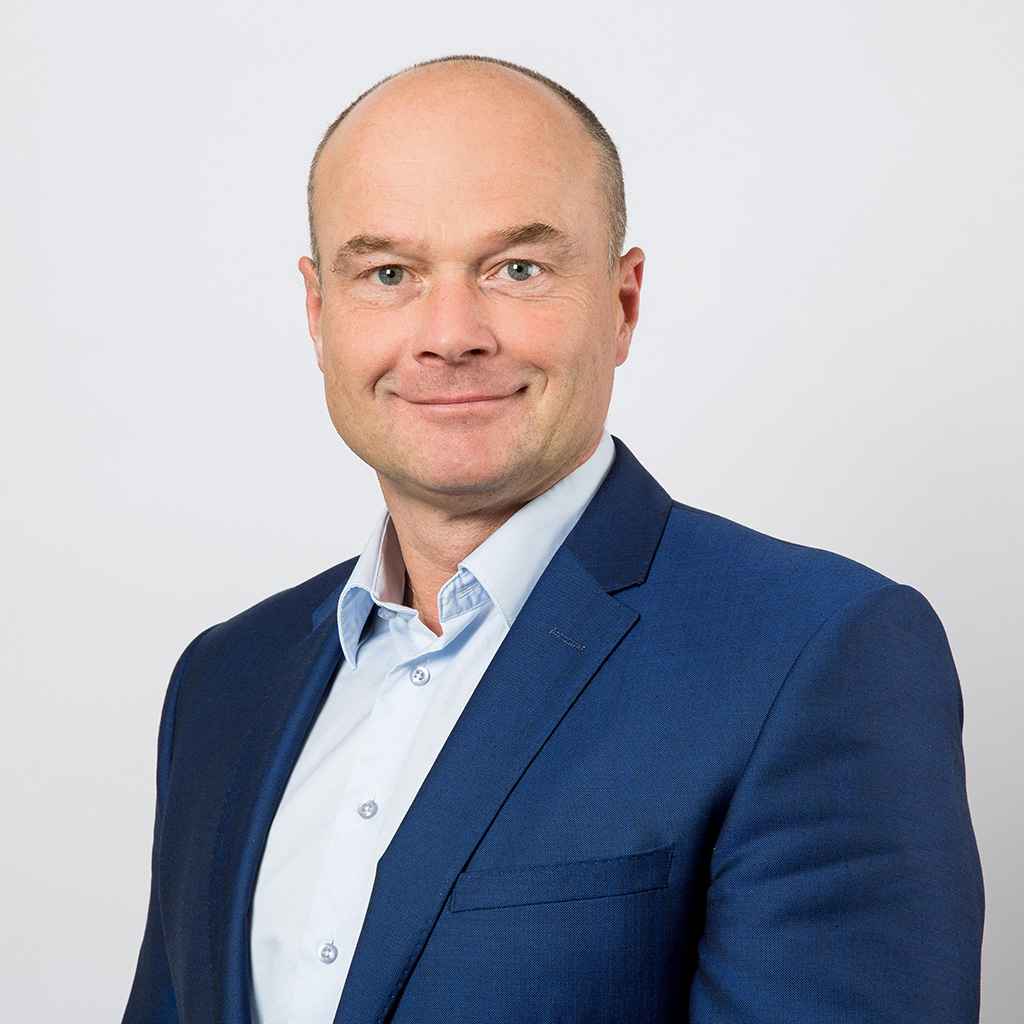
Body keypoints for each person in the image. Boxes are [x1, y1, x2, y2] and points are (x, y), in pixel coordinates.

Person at [122, 56, 983, 1024]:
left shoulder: (816, 653)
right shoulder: (224, 681)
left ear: (622, 302)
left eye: (517, 269)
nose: (450, 334)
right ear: (320, 315)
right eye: (389, 273)